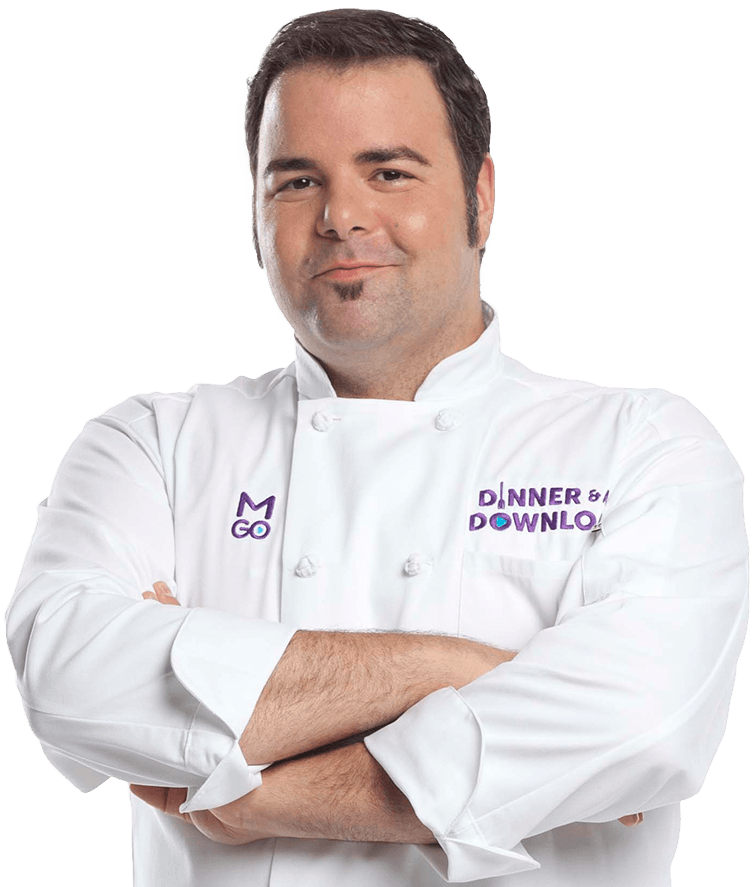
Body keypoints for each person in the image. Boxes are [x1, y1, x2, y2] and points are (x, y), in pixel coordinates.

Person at [4, 7, 748, 886]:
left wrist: (258, 797)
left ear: (480, 196)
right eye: (295, 181)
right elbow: (69, 682)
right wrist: (459, 670)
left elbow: (642, 725)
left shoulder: (643, 444)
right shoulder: (152, 445)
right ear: (252, 214)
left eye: (388, 172)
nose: (341, 217)